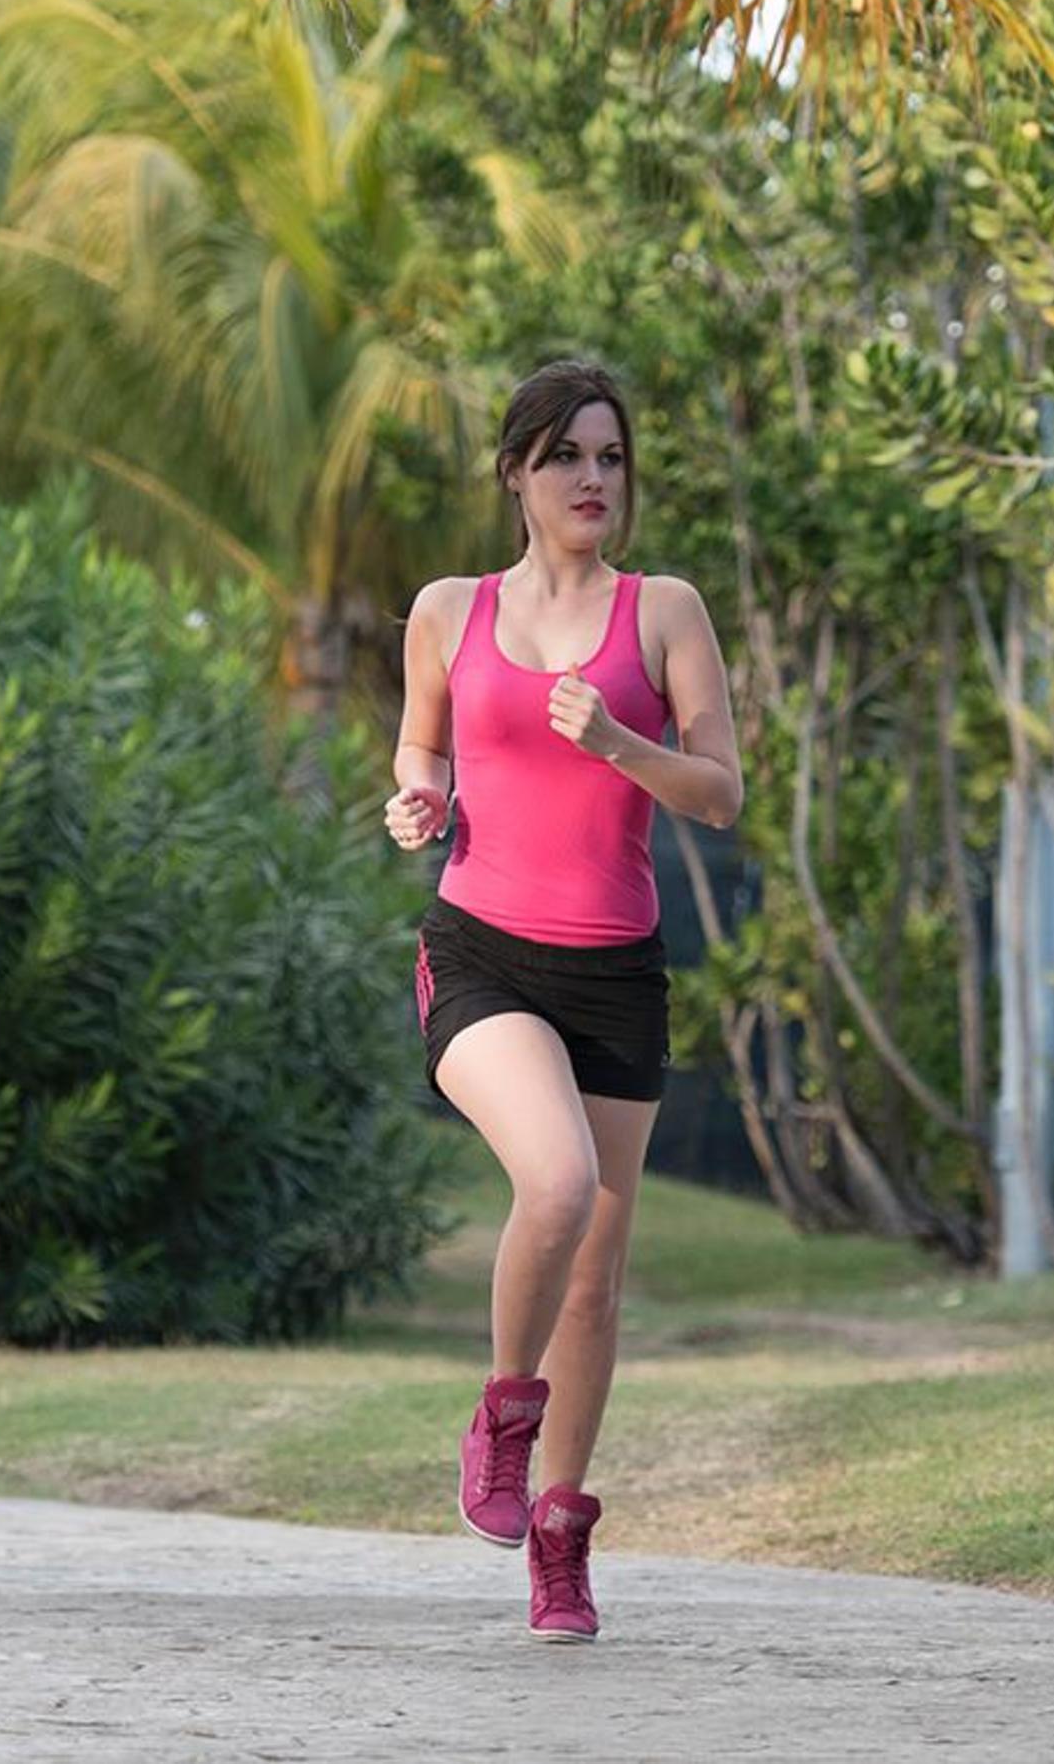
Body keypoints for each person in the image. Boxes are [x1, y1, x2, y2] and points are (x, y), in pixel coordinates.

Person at [385, 361, 743, 1643]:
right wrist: (417, 793)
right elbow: (423, 741)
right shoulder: (447, 609)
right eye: (567, 458)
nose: (594, 479)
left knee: (596, 1280)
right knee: (558, 1182)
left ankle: (559, 1535)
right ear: (517, 474)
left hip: (615, 972)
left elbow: (718, 791)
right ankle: (501, 1415)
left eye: (611, 458)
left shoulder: (664, 613)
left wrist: (621, 745)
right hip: (481, 948)